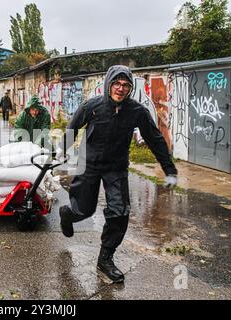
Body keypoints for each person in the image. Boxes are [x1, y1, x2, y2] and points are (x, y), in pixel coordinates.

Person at [56, 65, 178, 284]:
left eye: (125, 85)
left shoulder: (137, 111)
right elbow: (72, 129)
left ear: (130, 89)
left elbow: (155, 139)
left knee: (120, 212)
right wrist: (60, 151)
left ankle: (105, 259)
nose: (120, 89)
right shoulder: (92, 106)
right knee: (84, 209)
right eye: (117, 84)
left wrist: (169, 169)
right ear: (108, 84)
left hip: (116, 167)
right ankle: (68, 214)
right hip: (89, 163)